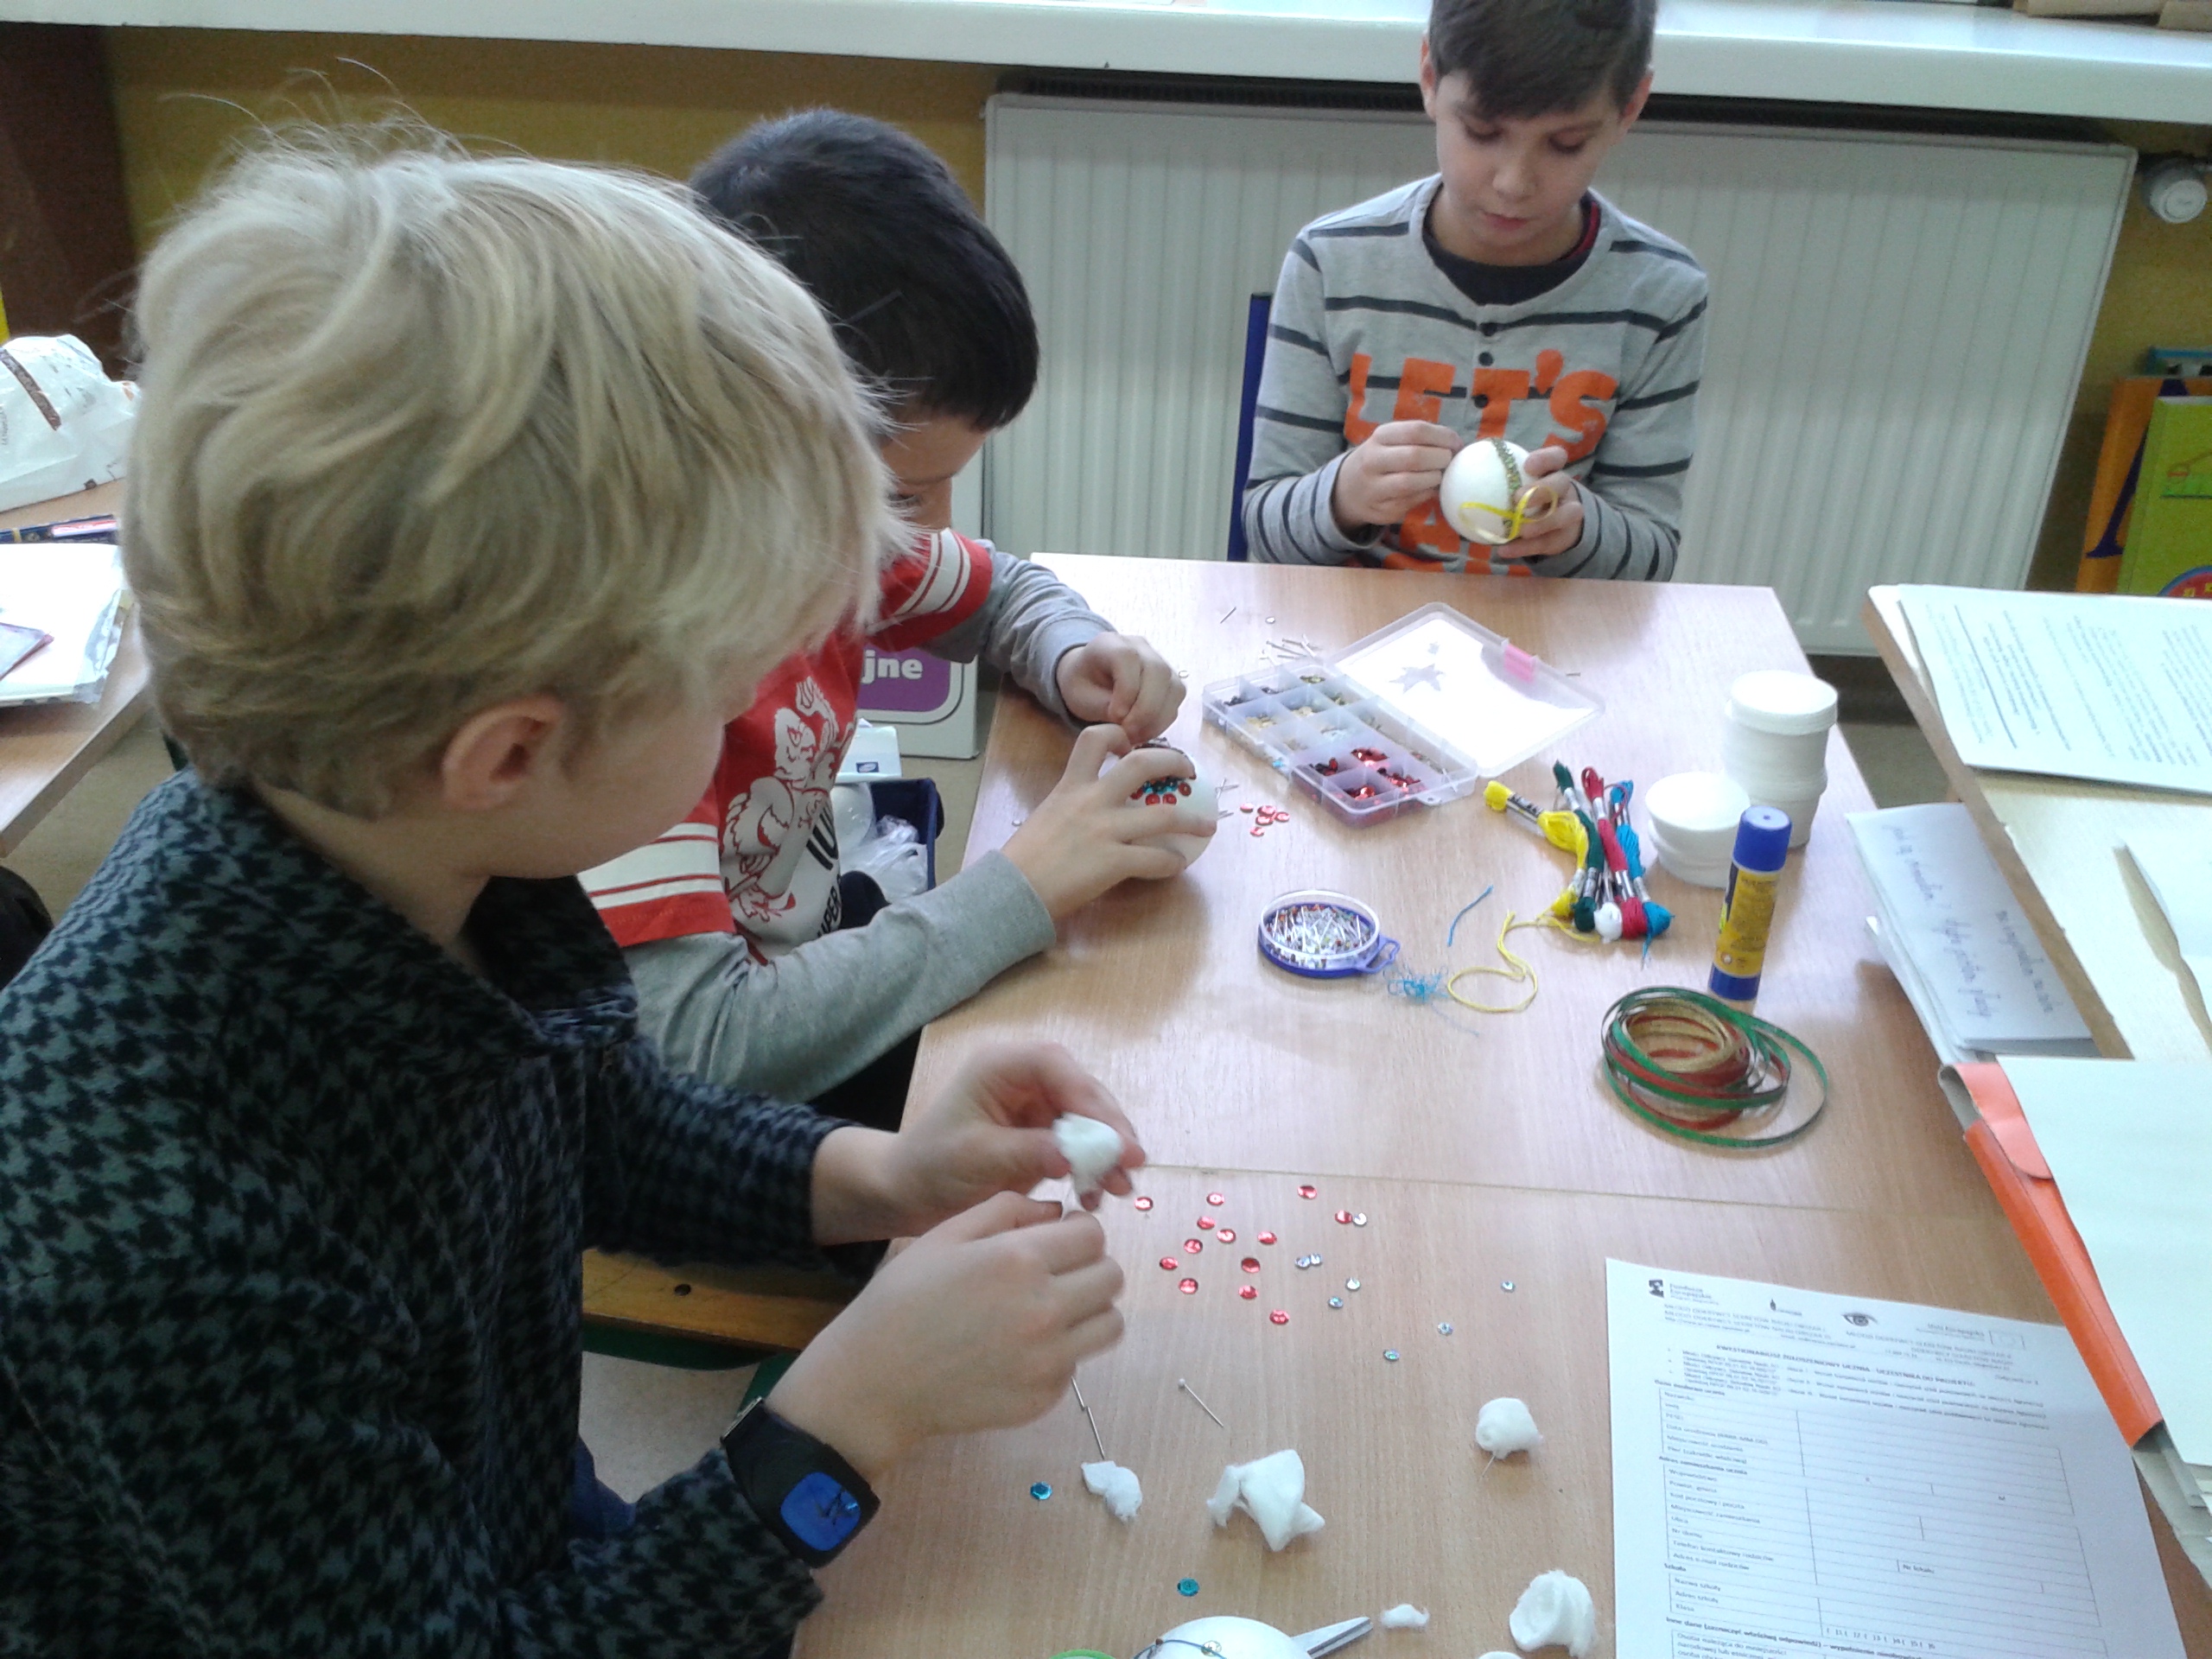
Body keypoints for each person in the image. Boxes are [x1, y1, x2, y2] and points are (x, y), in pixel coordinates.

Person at [0, 134, 1140, 1656]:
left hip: (509, 1509)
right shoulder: (160, 1238)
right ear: (513, 750)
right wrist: (848, 1418)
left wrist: (881, 1173)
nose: (757, 705)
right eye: (731, 683)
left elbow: (598, 1122)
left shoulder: (436, 867)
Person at [584, 110, 1205, 1130]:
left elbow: (1005, 591)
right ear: (749, 431)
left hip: (809, 950)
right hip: (726, 1105)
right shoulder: (632, 680)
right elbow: (699, 1048)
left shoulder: (824, 534)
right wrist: (1021, 885)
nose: (926, 533)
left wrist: (1073, 655)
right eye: (903, 495)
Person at [1242, 0, 1707, 582]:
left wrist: (1579, 529)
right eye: (1482, 132)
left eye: (1565, 144)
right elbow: (1265, 529)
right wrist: (1345, 496)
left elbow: (1652, 558)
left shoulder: (1661, 295)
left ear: (1630, 107)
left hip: (1545, 629)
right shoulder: (1332, 263)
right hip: (1361, 619)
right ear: (1430, 79)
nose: (1513, 183)